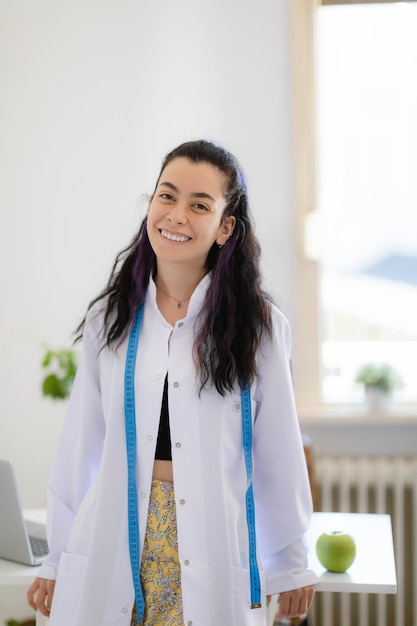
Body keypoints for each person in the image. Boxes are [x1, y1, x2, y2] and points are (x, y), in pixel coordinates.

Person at [27, 139, 318, 626]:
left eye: (199, 204)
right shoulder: (112, 319)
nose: (176, 215)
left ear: (226, 227)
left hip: (207, 538)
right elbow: (80, 446)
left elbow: (278, 452)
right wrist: (57, 558)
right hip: (116, 535)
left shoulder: (258, 327)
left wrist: (290, 563)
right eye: (167, 195)